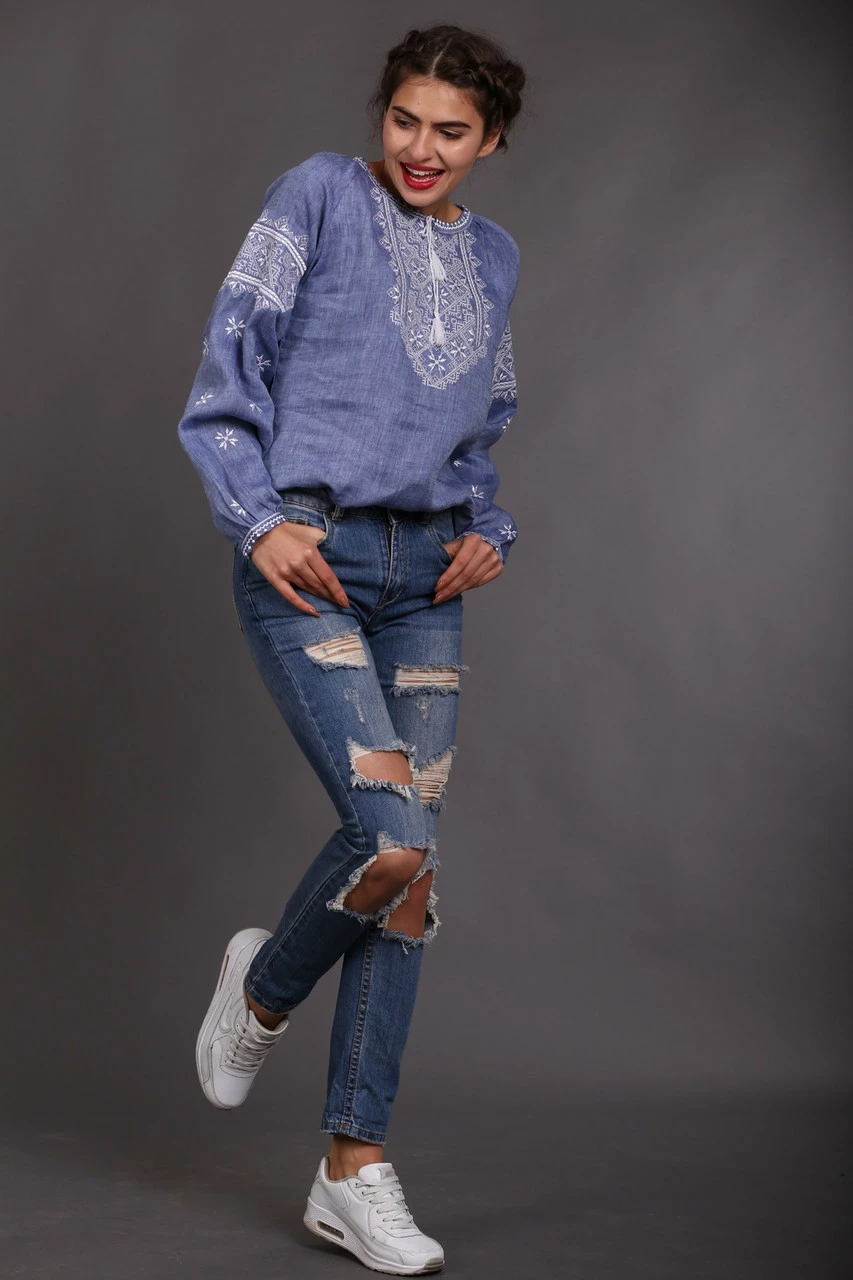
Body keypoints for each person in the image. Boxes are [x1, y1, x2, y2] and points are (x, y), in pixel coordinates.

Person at [176, 23, 526, 1276]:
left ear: (490, 141)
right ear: (381, 114)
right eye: (404, 120)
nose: (421, 148)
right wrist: (257, 516)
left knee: (410, 880)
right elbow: (229, 362)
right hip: (310, 555)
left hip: (425, 577)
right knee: (393, 837)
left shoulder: (494, 255)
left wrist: (487, 527)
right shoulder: (318, 193)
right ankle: (263, 988)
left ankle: (351, 1168)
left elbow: (480, 424)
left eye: (451, 131)